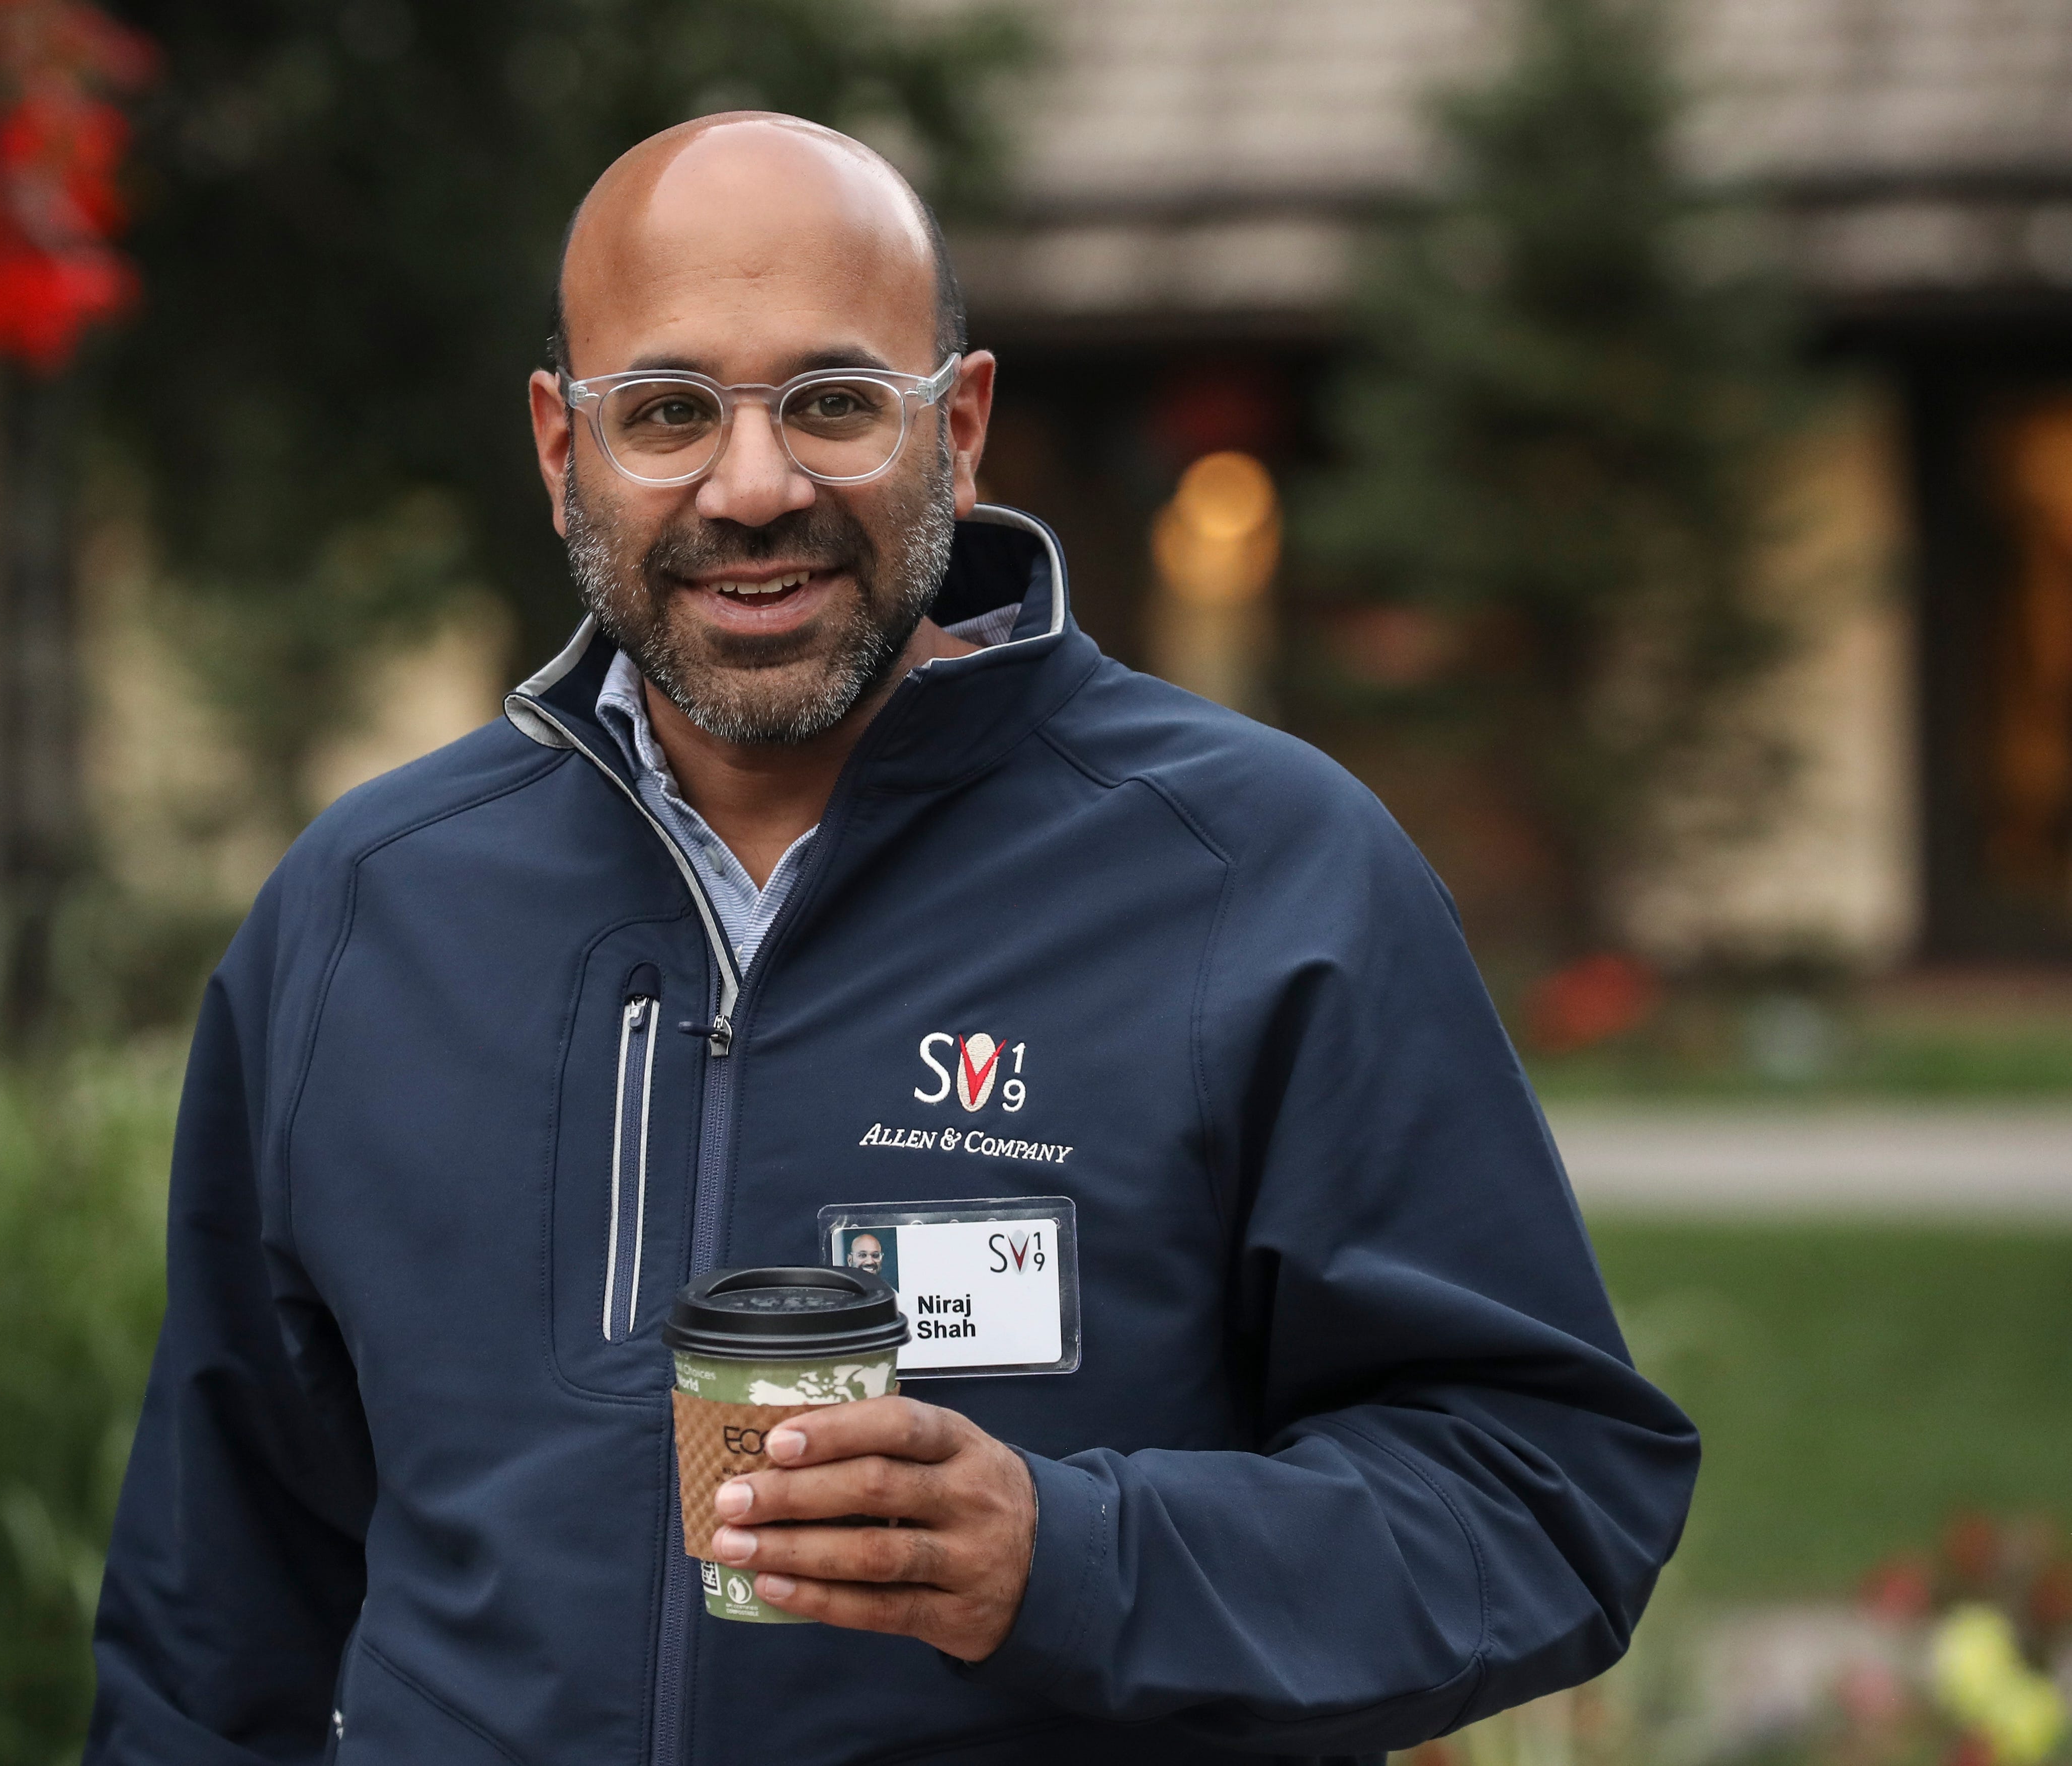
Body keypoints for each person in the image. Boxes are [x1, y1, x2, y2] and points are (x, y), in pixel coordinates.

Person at [84, 114, 1697, 1766]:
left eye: (836, 403)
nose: (756, 484)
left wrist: (1070, 1561)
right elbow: (218, 1606)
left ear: (964, 427)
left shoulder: (1267, 877)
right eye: (668, 413)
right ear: (564, 451)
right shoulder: (364, 911)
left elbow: (1544, 1494)